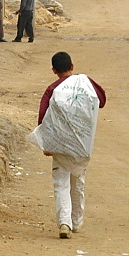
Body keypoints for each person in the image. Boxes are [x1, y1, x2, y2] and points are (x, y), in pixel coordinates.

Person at [38, 51, 107, 239]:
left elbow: (43, 117)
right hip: (81, 145)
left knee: (61, 183)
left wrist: (46, 143)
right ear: (72, 66)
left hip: (60, 144)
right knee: (78, 183)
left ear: (54, 70)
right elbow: (101, 100)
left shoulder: (52, 90)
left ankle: (64, 223)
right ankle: (76, 222)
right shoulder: (85, 84)